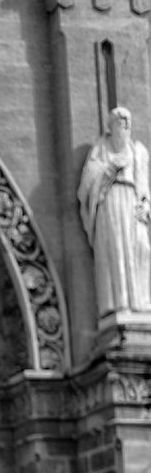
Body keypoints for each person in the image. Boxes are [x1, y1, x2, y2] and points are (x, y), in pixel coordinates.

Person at [77, 106, 151, 316]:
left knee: (141, 248)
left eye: (127, 121)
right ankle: (120, 303)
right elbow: (86, 186)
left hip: (131, 202)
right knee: (116, 249)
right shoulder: (101, 149)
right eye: (120, 121)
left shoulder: (138, 151)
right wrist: (108, 171)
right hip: (110, 201)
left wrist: (145, 204)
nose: (125, 125)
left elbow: (143, 183)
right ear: (111, 126)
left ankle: (140, 300)